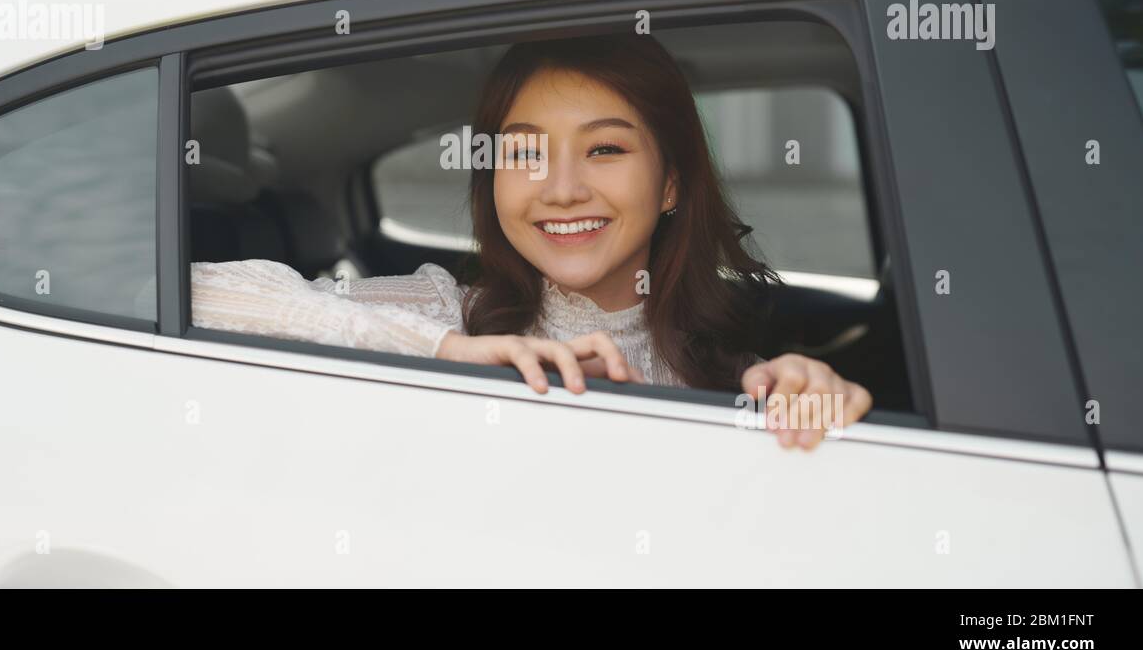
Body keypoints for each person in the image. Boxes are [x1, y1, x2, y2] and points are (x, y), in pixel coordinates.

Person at [191, 36, 873, 449]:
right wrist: (446, 351)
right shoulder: (446, 313)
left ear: (670, 183)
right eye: (524, 155)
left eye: (604, 148)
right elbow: (187, 291)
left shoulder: (734, 370)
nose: (561, 188)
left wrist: (816, 399)